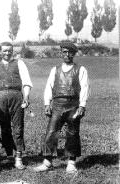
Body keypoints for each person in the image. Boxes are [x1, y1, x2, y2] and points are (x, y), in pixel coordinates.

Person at [34, 42, 89, 174]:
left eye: (70, 52)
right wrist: (47, 103)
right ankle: (47, 162)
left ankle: (71, 163)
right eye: (64, 52)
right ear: (61, 53)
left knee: (73, 133)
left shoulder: (81, 70)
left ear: (74, 54)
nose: (67, 55)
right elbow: (49, 86)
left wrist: (82, 105)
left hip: (73, 105)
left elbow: (85, 88)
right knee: (51, 132)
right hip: (57, 105)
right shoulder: (55, 70)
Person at [0, 42, 33, 170]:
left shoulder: (19, 63)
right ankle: (9, 155)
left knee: (18, 128)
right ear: (0, 52)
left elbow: (26, 82)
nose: (7, 53)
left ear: (12, 51)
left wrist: (26, 97)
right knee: (4, 128)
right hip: (1, 98)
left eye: (9, 50)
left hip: (17, 97)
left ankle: (19, 158)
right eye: (4, 51)